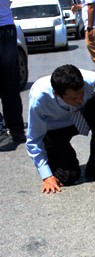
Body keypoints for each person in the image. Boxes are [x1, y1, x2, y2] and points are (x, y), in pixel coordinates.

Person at [26, 65, 95, 194]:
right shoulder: (39, 99)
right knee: (68, 176)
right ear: (56, 94)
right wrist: (46, 176)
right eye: (73, 98)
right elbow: (34, 140)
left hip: (79, 118)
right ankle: (57, 159)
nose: (80, 100)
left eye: (82, 94)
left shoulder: (93, 80)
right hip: (54, 131)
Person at [0, 0, 26, 150]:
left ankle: (2, 129)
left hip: (6, 27)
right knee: (10, 83)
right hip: (7, 28)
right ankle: (16, 129)